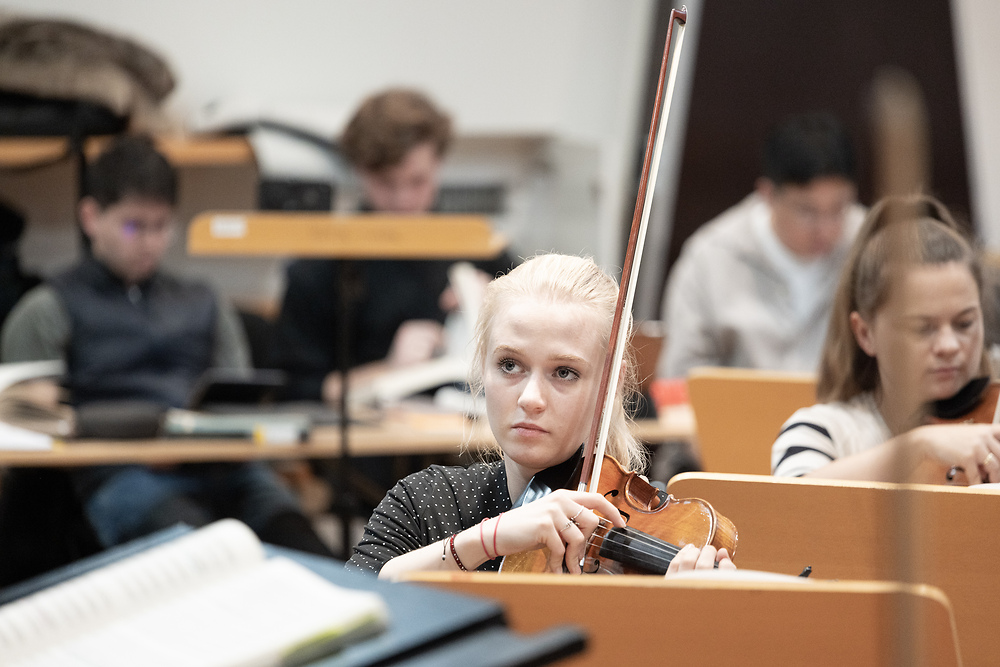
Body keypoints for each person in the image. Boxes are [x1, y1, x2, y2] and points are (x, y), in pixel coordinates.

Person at [0, 135, 332, 555]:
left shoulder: (204, 301)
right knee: (209, 555)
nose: (150, 242)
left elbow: (239, 402)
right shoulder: (49, 308)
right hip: (124, 476)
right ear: (90, 217)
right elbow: (33, 429)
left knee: (304, 546)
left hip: (226, 469)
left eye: (161, 226)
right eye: (133, 226)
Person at [346, 254, 735, 578]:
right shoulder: (426, 502)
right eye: (510, 365)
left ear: (609, 386)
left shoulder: (663, 529)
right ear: (482, 368)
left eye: (564, 372)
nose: (530, 398)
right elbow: (352, 609)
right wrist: (485, 541)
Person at [272, 88, 512, 404]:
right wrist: (390, 370)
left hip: (464, 425)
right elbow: (298, 390)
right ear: (359, 171)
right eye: (386, 183)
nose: (403, 200)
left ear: (438, 163)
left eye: (417, 181)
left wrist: (500, 306)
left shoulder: (478, 245)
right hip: (367, 430)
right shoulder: (319, 268)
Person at [771, 194, 1000, 485]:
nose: (949, 346)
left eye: (964, 323)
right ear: (865, 334)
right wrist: (918, 445)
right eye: (922, 328)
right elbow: (792, 502)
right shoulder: (821, 432)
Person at [659, 112, 866, 379]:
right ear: (767, 194)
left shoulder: (872, 245)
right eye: (807, 211)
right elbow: (680, 376)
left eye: (838, 208)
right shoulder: (710, 257)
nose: (825, 230)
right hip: (736, 407)